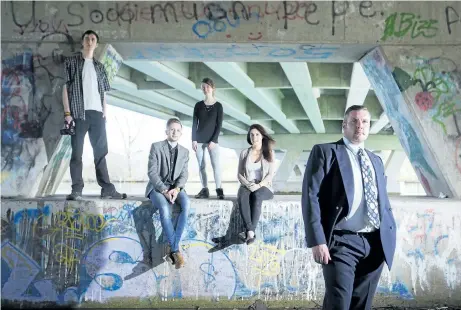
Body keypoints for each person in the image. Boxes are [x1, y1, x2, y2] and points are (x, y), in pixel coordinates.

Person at [301, 105, 397, 310]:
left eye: (364, 122)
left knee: (362, 305)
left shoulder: (376, 160)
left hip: (375, 243)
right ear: (344, 125)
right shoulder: (326, 152)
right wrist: (317, 240)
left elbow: (383, 201)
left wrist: (390, 234)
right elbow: (311, 197)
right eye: (354, 121)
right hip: (340, 242)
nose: (359, 126)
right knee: (339, 304)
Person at [62, 29, 126, 200]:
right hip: (78, 114)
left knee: (100, 153)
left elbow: (103, 92)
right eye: (87, 39)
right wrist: (67, 114)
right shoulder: (72, 62)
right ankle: (77, 189)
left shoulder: (100, 67)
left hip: (97, 115)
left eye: (93, 39)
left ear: (96, 44)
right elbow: (65, 88)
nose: (90, 41)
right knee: (77, 153)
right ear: (82, 42)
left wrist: (105, 112)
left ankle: (107, 188)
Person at [145, 118, 190, 269]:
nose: (175, 132)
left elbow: (184, 175)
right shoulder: (156, 147)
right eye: (172, 129)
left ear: (181, 133)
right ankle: (175, 250)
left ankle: (173, 249)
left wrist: (176, 190)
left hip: (175, 188)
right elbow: (152, 172)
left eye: (178, 130)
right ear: (166, 131)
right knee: (164, 208)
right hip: (157, 188)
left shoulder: (185, 152)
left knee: (186, 204)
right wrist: (164, 190)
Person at [237, 124, 276, 244]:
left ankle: (250, 230)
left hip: (264, 186)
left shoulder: (269, 152)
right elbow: (239, 174)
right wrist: (248, 185)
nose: (254, 137)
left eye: (257, 134)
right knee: (242, 195)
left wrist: (258, 186)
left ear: (262, 136)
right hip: (248, 184)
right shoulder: (244, 153)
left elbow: (270, 174)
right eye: (252, 134)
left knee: (257, 196)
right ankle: (250, 232)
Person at [192, 78, 225, 200]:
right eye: (203, 87)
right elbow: (194, 123)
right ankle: (204, 189)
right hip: (199, 140)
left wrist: (214, 140)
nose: (205, 89)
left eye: (208, 87)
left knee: (216, 165)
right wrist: (193, 139)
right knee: (201, 166)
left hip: (212, 141)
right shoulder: (198, 105)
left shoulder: (218, 106)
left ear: (213, 88)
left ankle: (219, 189)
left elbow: (219, 124)